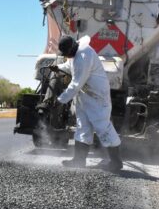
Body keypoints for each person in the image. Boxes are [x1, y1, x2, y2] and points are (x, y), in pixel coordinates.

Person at [50, 35, 123, 172]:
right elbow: (70, 65)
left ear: (72, 48)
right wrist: (58, 67)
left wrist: (60, 100)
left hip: (97, 98)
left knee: (103, 126)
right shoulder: (75, 53)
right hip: (85, 96)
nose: (67, 56)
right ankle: (78, 160)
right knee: (82, 127)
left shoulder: (84, 56)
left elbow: (76, 84)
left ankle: (116, 162)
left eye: (66, 53)